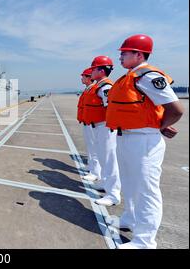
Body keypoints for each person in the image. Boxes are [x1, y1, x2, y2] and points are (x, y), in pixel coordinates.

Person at [106, 34, 184, 249]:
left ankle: (145, 241)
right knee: (130, 185)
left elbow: (176, 110)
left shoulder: (148, 77)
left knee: (146, 190)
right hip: (126, 136)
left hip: (144, 141)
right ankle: (129, 220)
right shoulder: (130, 76)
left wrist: (158, 126)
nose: (120, 57)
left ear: (138, 54)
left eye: (125, 53)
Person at [82, 56, 121, 206]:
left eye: (93, 69)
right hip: (97, 126)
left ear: (101, 70)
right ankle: (106, 183)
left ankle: (113, 194)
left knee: (109, 159)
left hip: (104, 126)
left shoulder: (105, 87)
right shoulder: (99, 85)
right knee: (103, 157)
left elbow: (110, 108)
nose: (91, 72)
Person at [77, 68, 101, 183]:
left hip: (94, 123)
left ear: (88, 77)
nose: (81, 78)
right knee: (90, 147)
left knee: (94, 148)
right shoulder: (88, 89)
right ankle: (91, 167)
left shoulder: (96, 89)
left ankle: (95, 172)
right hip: (88, 122)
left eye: (83, 76)